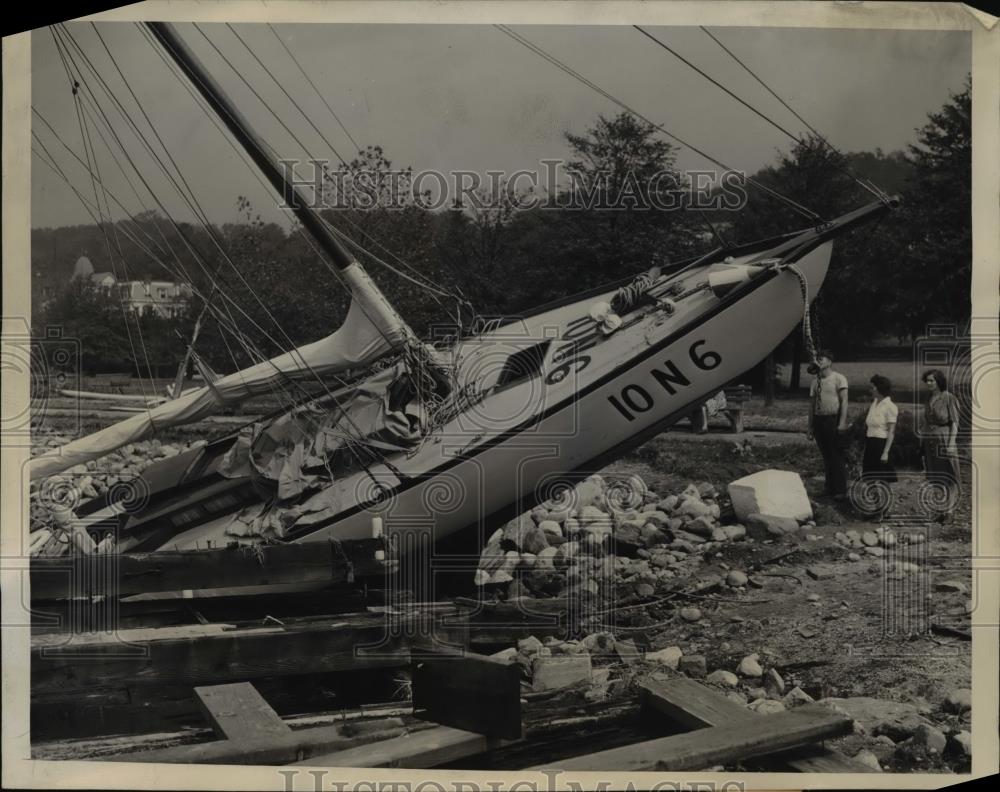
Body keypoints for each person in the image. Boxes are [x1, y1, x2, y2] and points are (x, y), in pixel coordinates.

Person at [921, 368, 961, 522]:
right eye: (927, 381)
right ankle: (942, 510)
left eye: (932, 380)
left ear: (939, 381)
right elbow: (926, 420)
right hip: (930, 441)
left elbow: (955, 423)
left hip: (944, 440)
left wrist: (951, 444)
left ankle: (950, 512)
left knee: (949, 475)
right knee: (937, 476)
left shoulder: (949, 398)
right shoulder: (929, 398)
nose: (929, 383)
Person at [807, 350, 849, 498]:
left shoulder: (839, 378)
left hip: (833, 419)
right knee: (826, 456)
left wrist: (842, 422)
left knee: (836, 455)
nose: (819, 362)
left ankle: (840, 490)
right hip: (819, 420)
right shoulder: (815, 382)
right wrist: (810, 426)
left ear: (830, 362)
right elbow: (811, 406)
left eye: (822, 359)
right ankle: (829, 487)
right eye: (817, 359)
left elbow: (844, 401)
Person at [861, 375, 899, 510]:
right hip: (871, 443)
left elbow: (891, 432)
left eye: (872, 387)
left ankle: (886, 510)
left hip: (882, 444)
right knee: (870, 478)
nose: (870, 389)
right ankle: (877, 507)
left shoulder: (890, 406)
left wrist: (885, 452)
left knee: (882, 480)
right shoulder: (874, 403)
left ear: (879, 388)